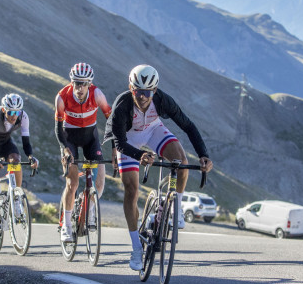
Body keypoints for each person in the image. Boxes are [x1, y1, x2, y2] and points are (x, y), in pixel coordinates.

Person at [103, 64, 213, 271]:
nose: (142, 97)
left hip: (153, 130)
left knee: (180, 161)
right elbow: (119, 144)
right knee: (131, 190)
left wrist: (203, 155)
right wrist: (139, 156)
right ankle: (136, 247)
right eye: (137, 91)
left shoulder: (163, 100)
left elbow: (188, 126)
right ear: (130, 87)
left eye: (147, 92)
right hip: (128, 140)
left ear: (154, 91)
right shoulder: (122, 105)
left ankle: (175, 209)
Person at [55, 62, 112, 243]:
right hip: (69, 139)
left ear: (90, 84)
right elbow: (57, 129)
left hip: (90, 138)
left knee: (99, 183)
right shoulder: (62, 97)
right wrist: (65, 150)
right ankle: (67, 225)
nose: (79, 88)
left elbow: (111, 120)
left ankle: (90, 210)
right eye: (76, 83)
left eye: (83, 83)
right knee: (72, 183)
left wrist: (115, 148)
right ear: (71, 82)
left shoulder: (97, 95)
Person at [0, 93, 39, 241]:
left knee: (16, 160)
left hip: (5, 143)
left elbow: (26, 143)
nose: (14, 116)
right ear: (4, 110)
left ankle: (16, 197)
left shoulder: (23, 117)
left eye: (17, 112)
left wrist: (31, 157)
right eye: (11, 112)